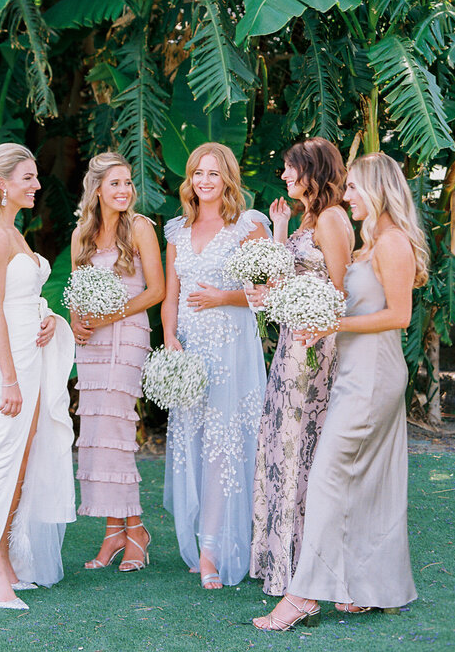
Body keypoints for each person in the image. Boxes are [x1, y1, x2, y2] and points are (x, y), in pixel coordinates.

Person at [252, 152, 426, 631]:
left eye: (353, 188)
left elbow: (400, 316)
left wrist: (333, 322)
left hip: (373, 376)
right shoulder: (371, 244)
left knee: (328, 477)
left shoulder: (392, 243)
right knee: (365, 481)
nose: (345, 195)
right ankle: (363, 588)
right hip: (354, 370)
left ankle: (303, 595)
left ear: (375, 189)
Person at [0, 144, 75, 609]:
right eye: (27, 178)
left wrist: (48, 316)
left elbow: (22, 295)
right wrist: (9, 379)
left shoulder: (13, 231)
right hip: (6, 358)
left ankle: (7, 556)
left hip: (31, 350)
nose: (36, 185)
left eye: (35, 177)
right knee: (0, 455)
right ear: (1, 183)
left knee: (24, 458)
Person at [161, 142, 269, 589]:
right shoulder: (177, 231)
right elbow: (171, 296)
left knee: (224, 446)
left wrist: (223, 297)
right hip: (189, 351)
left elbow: (267, 294)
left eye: (213, 173)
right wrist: (169, 340)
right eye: (198, 173)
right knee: (194, 443)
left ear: (228, 178)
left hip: (231, 351)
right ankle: (203, 540)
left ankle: (213, 550)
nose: (205, 181)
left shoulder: (249, 227)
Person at [249, 138, 354, 594]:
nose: (286, 176)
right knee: (280, 444)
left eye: (292, 169)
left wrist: (305, 321)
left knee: (300, 447)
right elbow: (289, 279)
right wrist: (279, 229)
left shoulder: (332, 219)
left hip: (314, 349)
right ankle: (282, 563)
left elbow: (341, 293)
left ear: (315, 172)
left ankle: (305, 569)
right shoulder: (307, 218)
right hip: (290, 344)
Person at [70, 153, 165, 572]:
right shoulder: (81, 236)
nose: (125, 190)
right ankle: (114, 533)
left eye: (128, 182)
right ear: (97, 190)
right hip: (91, 342)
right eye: (116, 184)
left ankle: (137, 530)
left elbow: (156, 290)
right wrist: (77, 323)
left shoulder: (141, 227)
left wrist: (110, 315)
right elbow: (75, 291)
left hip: (128, 334)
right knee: (97, 431)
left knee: (118, 428)